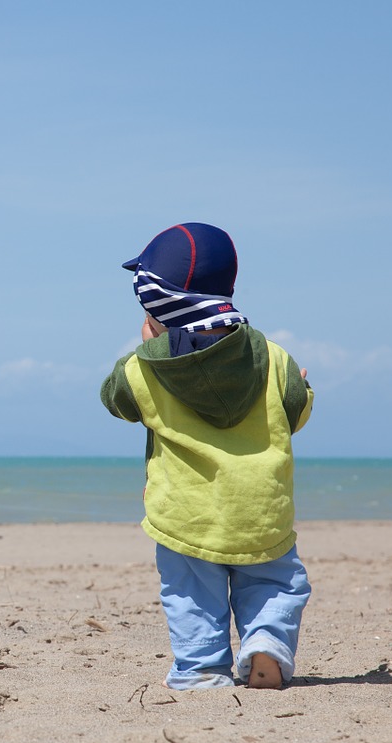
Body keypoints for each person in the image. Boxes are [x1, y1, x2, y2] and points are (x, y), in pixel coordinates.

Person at [99, 222, 314, 690]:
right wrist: (304, 384)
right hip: (261, 512)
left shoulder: (143, 368)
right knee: (276, 583)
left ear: (155, 305)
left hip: (186, 515)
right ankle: (266, 645)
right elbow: (294, 413)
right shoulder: (273, 358)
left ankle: (200, 670)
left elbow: (115, 400)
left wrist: (147, 348)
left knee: (191, 594)